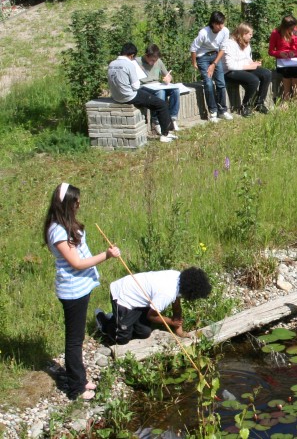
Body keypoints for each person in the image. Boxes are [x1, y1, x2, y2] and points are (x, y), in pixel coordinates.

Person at [43, 183, 120, 400]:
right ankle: (76, 387)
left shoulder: (66, 224)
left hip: (80, 288)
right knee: (74, 340)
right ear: (67, 203)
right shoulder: (57, 230)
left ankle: (81, 378)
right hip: (72, 291)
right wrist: (106, 255)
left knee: (78, 337)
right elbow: (76, 263)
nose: (79, 203)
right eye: (76, 201)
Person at [96, 267, 212, 345]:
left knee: (144, 332)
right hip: (123, 296)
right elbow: (151, 316)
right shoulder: (167, 293)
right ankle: (104, 322)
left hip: (139, 300)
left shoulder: (179, 278)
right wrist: (170, 322)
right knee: (122, 339)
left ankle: (119, 320)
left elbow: (176, 308)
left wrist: (180, 333)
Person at [108, 43, 177, 143]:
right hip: (129, 96)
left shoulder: (112, 64)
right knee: (161, 104)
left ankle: (164, 127)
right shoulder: (129, 64)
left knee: (154, 102)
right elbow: (136, 86)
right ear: (132, 55)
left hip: (116, 96)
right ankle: (165, 134)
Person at [190, 11, 233, 122]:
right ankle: (213, 111)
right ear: (213, 24)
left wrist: (214, 64)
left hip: (215, 55)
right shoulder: (204, 33)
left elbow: (223, 48)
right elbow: (193, 48)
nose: (221, 26)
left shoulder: (225, 31)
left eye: (222, 23)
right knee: (208, 83)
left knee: (221, 83)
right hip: (202, 57)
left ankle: (223, 110)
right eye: (219, 24)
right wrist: (194, 62)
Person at [223, 22, 272, 117]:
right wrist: (248, 66)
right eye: (250, 34)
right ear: (243, 34)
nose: (251, 36)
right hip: (230, 72)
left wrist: (253, 63)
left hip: (243, 68)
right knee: (254, 80)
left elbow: (247, 58)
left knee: (267, 74)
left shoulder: (246, 43)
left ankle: (259, 103)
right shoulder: (230, 44)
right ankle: (246, 106)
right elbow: (230, 65)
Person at [136, 44, 181, 133]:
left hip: (157, 85)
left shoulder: (158, 62)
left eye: (155, 60)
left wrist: (168, 79)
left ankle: (172, 118)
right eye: (152, 60)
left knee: (175, 90)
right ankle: (157, 121)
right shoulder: (137, 62)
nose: (153, 62)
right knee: (160, 92)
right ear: (146, 55)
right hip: (144, 86)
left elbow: (168, 75)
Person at [268, 15, 297, 104]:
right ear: (284, 27)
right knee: (287, 71)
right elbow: (271, 51)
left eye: (294, 27)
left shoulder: (295, 31)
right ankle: (286, 98)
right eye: (291, 28)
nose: (293, 29)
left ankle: (295, 97)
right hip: (282, 61)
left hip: (294, 60)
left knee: (294, 71)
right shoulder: (275, 33)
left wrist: (294, 53)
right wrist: (279, 53)